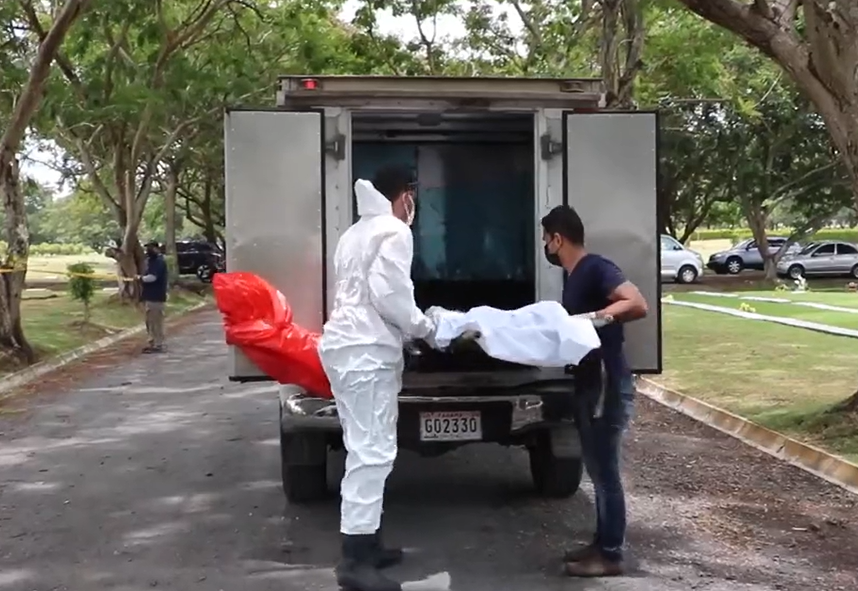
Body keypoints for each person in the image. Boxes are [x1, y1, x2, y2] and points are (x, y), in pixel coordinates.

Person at [318, 166, 437, 591]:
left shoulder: (353, 233)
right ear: (404, 196)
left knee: (364, 448)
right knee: (371, 453)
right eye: (412, 195)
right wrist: (424, 328)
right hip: (366, 353)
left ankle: (368, 544)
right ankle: (354, 560)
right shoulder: (393, 231)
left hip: (347, 349)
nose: (413, 204)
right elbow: (391, 295)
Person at [540, 205, 648, 578]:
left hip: (606, 384)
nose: (545, 246)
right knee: (596, 469)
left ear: (558, 239)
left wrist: (593, 319)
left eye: (546, 239)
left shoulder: (596, 268)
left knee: (606, 473)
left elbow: (636, 303)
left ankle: (612, 554)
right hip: (589, 383)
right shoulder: (573, 276)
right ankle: (601, 544)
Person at [139, 241, 169, 354]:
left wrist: (140, 278)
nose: (148, 251)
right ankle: (152, 342)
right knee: (150, 321)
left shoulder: (158, 262)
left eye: (150, 248)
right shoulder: (151, 261)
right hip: (150, 296)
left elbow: (153, 278)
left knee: (156, 321)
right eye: (147, 248)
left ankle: (158, 344)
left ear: (157, 248)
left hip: (156, 296)